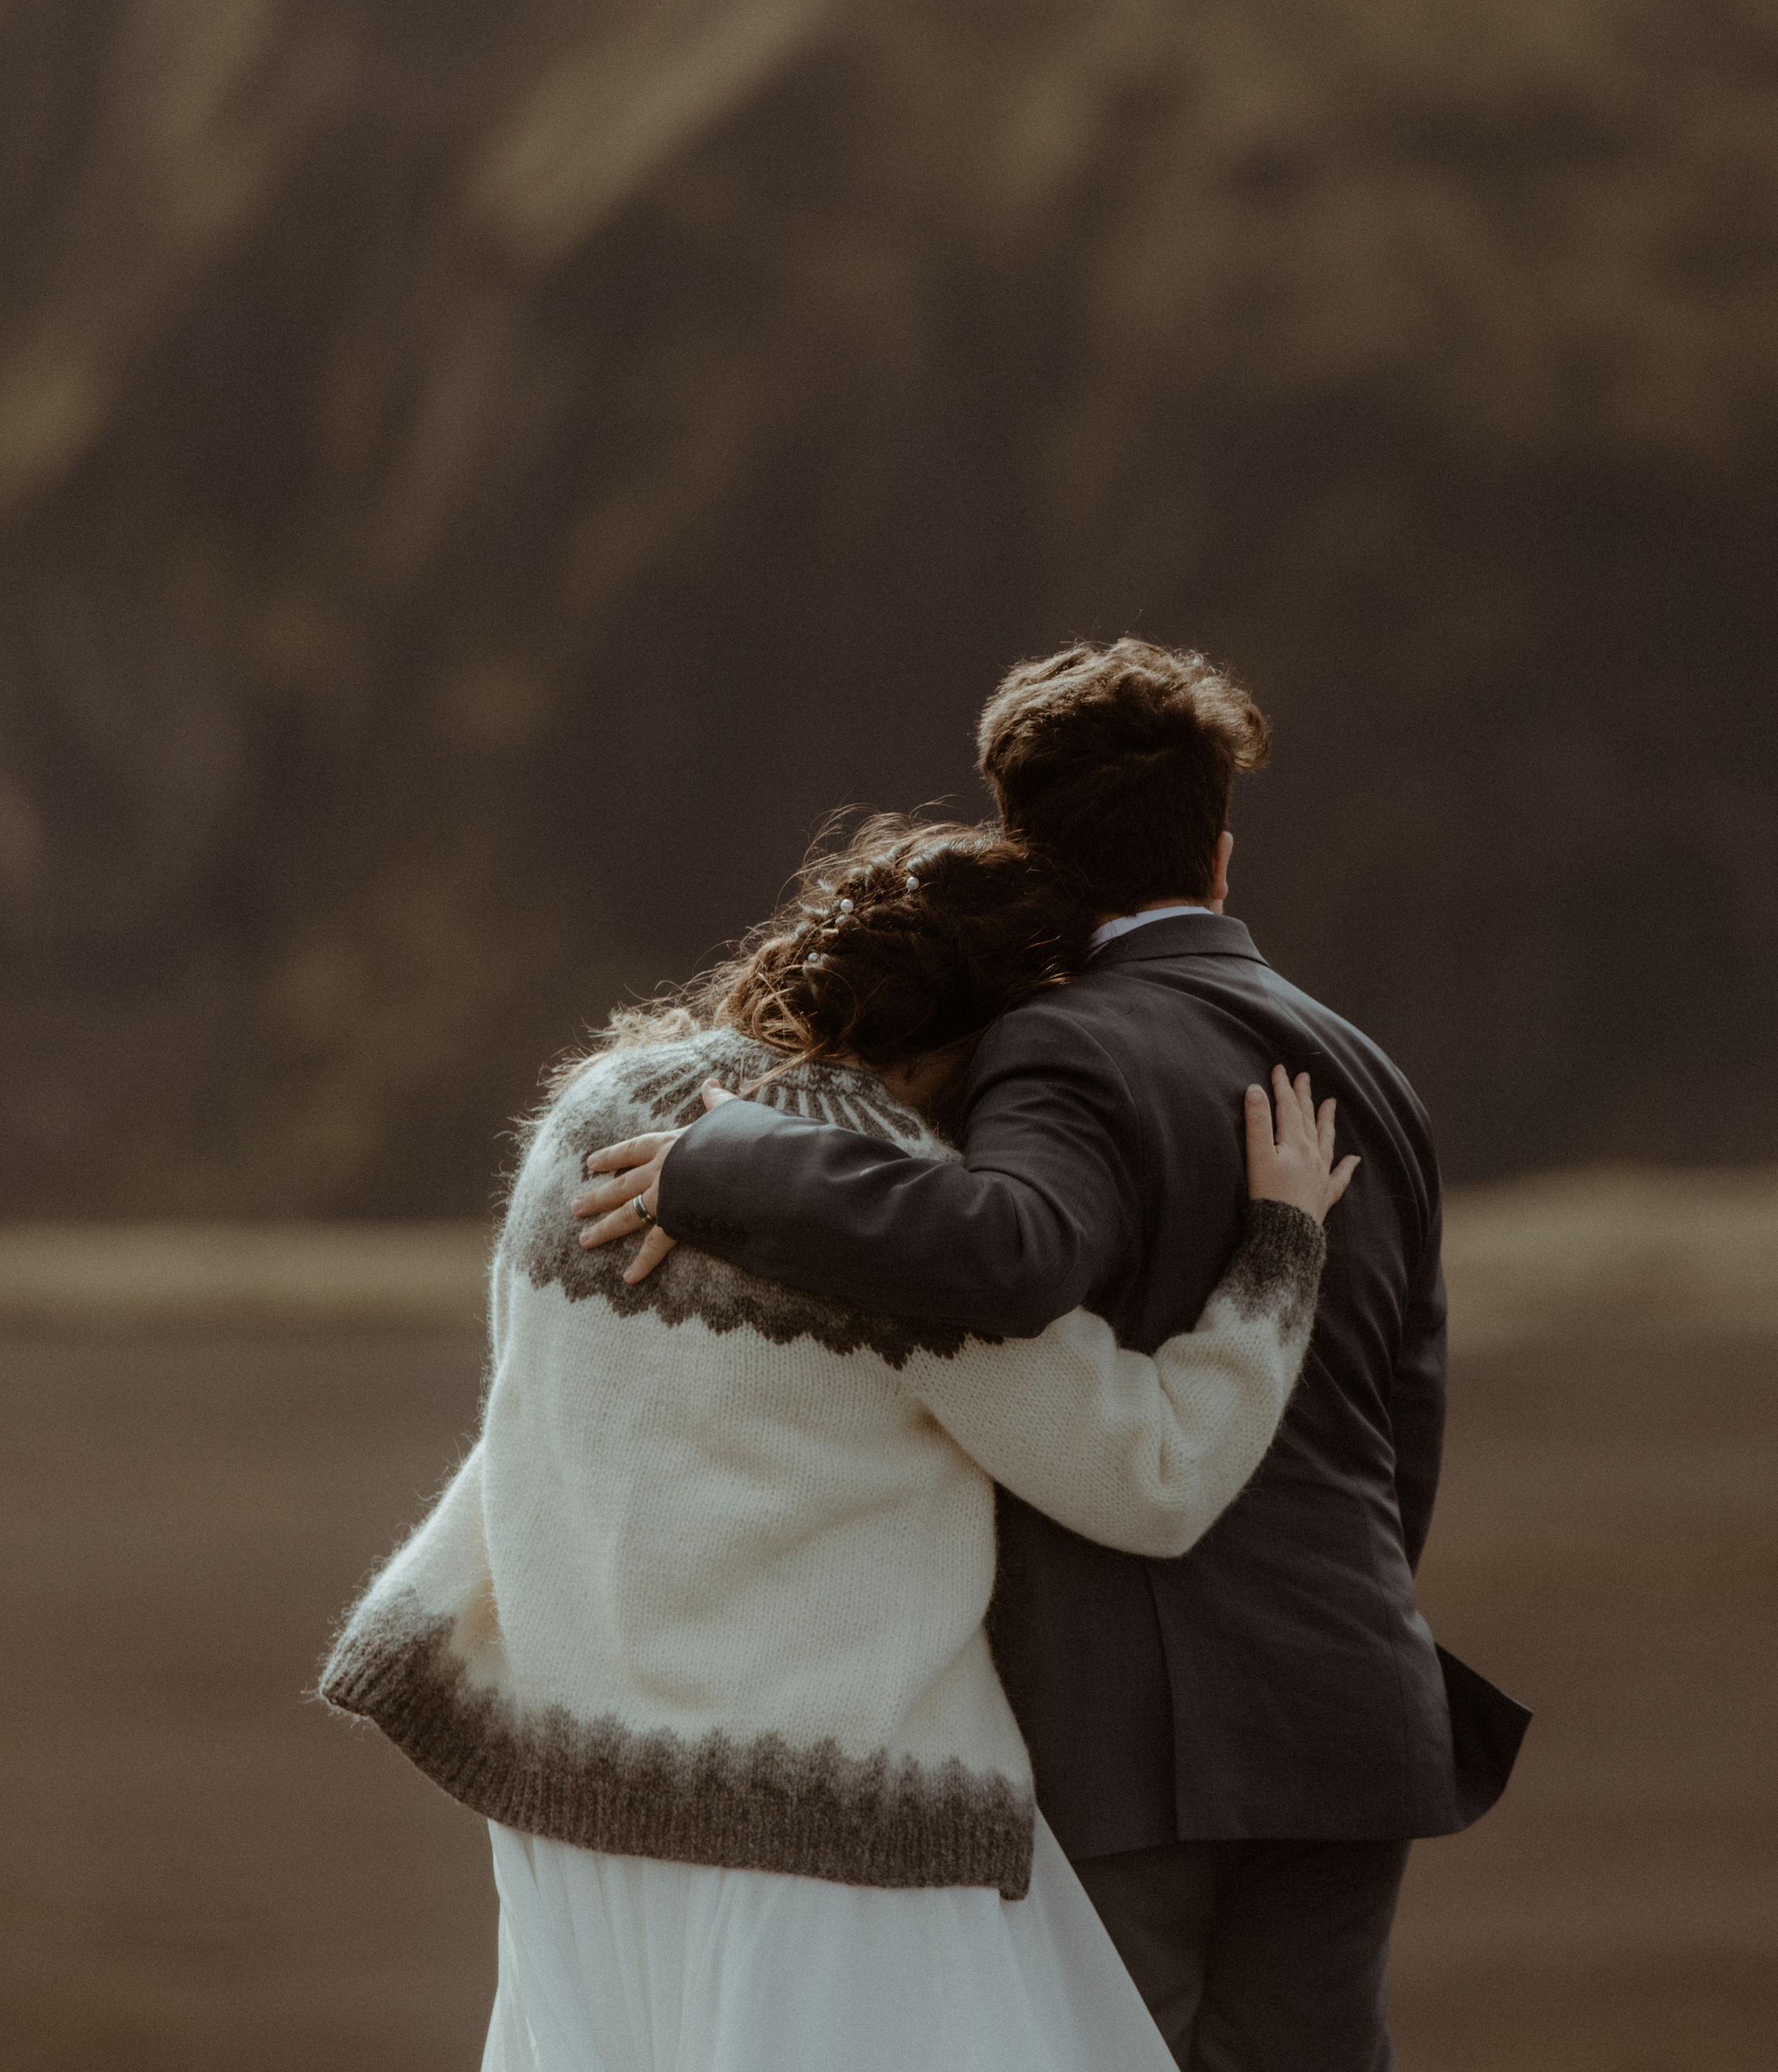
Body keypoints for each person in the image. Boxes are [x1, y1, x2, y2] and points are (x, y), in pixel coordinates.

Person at [576, 640, 1529, 2072]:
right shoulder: (1363, 1070)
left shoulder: (1060, 1047)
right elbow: (1405, 1418)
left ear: (1019, 842)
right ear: (1218, 854)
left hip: (1129, 1732)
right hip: (1348, 1703)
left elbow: (1010, 1252)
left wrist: (732, 1164)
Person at [320, 813, 1355, 2072]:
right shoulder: (898, 1220)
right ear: (980, 1048)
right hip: (821, 1837)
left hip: (567, 1806)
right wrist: (1281, 1248)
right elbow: (1157, 1475)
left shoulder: (592, 1113)